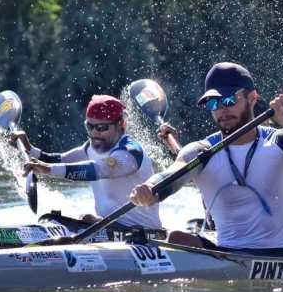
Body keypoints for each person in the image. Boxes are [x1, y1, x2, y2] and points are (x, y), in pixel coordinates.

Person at [130, 62, 283, 256]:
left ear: (252, 98)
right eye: (213, 103)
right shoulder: (201, 150)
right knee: (176, 238)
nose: (221, 109)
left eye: (229, 100)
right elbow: (171, 174)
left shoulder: (281, 141)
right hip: (227, 253)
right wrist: (149, 189)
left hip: (279, 254)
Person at [11, 94, 167, 231]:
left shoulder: (130, 152)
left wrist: (47, 170)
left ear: (121, 124)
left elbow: (96, 170)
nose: (94, 133)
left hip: (143, 234)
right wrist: (28, 147)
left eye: (101, 127)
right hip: (107, 228)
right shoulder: (91, 146)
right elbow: (57, 159)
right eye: (90, 126)